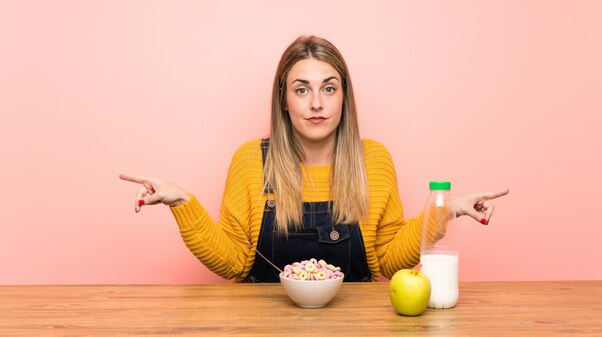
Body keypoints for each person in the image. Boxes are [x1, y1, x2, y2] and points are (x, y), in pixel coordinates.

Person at [120, 35, 508, 283]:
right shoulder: (251, 161)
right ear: (284, 101)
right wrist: (183, 204)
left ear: (344, 97)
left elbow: (388, 262)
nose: (317, 103)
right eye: (302, 89)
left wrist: (445, 210)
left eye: (329, 88)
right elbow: (237, 263)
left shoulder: (373, 160)